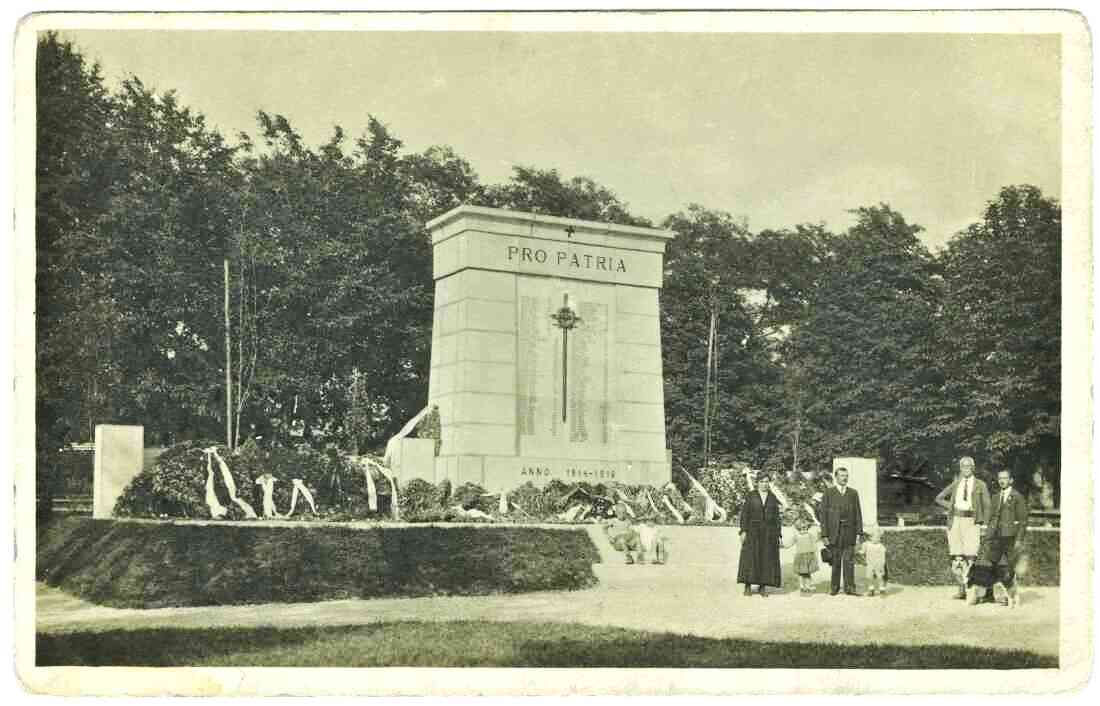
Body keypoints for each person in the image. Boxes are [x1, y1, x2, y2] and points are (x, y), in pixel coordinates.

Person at [934, 456, 990, 599]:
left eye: (969, 466)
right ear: (960, 468)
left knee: (970, 557)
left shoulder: (980, 484)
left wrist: (984, 524)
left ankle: (972, 591)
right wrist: (952, 508)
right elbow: (939, 498)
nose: (966, 469)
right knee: (957, 557)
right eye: (963, 466)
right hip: (955, 522)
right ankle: (961, 590)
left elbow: (987, 505)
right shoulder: (956, 483)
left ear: (973, 468)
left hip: (972, 521)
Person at [977, 469, 1029, 608]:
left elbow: (1023, 521)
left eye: (1005, 478)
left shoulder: (1017, 497)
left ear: (1011, 480)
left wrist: (1018, 540)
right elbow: (992, 518)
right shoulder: (995, 497)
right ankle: (989, 594)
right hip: (995, 537)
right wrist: (987, 535)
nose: (1002, 481)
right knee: (990, 564)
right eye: (1000, 478)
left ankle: (1011, 596)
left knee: (1008, 568)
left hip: (1010, 537)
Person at [737, 473, 783, 597]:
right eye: (762, 481)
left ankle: (762, 586)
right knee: (750, 558)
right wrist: (743, 531)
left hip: (768, 532)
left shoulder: (772, 498)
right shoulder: (751, 496)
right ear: (757, 482)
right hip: (753, 531)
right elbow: (744, 514)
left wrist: (779, 534)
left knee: (766, 558)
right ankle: (748, 586)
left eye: (767, 481)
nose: (764, 484)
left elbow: (777, 518)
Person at [820, 467, 864, 596]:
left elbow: (858, 514)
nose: (844, 478)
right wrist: (824, 534)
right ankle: (834, 587)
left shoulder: (853, 493)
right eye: (841, 476)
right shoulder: (829, 493)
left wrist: (859, 533)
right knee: (835, 560)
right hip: (834, 532)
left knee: (849, 561)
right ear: (836, 477)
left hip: (849, 532)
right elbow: (823, 516)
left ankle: (850, 587)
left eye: (846, 476)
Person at [790, 516, 821, 595]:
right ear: (798, 528)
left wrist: (815, 552)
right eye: (801, 528)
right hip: (800, 556)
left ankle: (807, 586)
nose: (803, 530)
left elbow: (815, 542)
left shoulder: (810, 535)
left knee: (808, 574)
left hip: (809, 555)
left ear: (807, 528)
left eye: (805, 528)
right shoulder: (796, 536)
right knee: (801, 574)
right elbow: (790, 543)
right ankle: (801, 586)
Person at [860, 526, 888, 597]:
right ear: (870, 537)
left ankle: (882, 590)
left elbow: (883, 555)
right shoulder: (866, 544)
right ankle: (871, 589)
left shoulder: (880, 546)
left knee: (880, 577)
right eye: (877, 537)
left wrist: (883, 564)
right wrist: (860, 552)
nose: (878, 539)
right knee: (869, 577)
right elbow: (863, 551)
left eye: (879, 538)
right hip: (870, 564)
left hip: (879, 564)